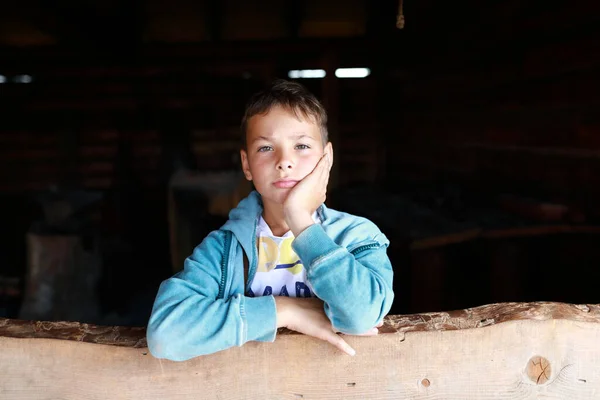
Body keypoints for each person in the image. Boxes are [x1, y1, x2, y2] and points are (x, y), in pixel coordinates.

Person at [147, 79, 394, 361]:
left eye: (301, 145)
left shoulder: (357, 236)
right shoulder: (224, 249)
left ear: (327, 157)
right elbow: (165, 334)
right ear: (246, 164)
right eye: (266, 148)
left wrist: (300, 219)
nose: (284, 161)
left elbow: (362, 315)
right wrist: (284, 310)